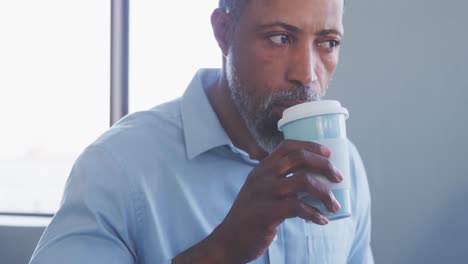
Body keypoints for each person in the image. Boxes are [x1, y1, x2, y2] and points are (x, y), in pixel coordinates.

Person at [30, 0, 373, 263]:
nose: (307, 75)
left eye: (327, 43)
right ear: (223, 32)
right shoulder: (116, 167)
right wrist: (221, 250)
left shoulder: (346, 167)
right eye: (280, 38)